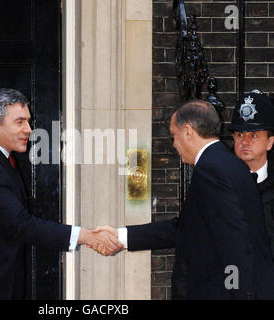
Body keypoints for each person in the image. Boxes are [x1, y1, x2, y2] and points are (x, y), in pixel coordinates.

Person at [0, 88, 122, 300]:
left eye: (28, 121)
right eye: (19, 122)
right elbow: (20, 224)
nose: (29, 129)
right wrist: (86, 236)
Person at [94, 99, 274, 299]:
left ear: (188, 131)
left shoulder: (211, 169)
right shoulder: (224, 162)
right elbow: (185, 228)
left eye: (174, 135)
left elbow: (235, 245)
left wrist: (239, 293)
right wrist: (120, 236)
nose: (174, 144)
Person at [229, 90, 274, 261]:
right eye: (240, 134)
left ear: (270, 142)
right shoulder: (220, 183)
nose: (244, 142)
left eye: (253, 135)